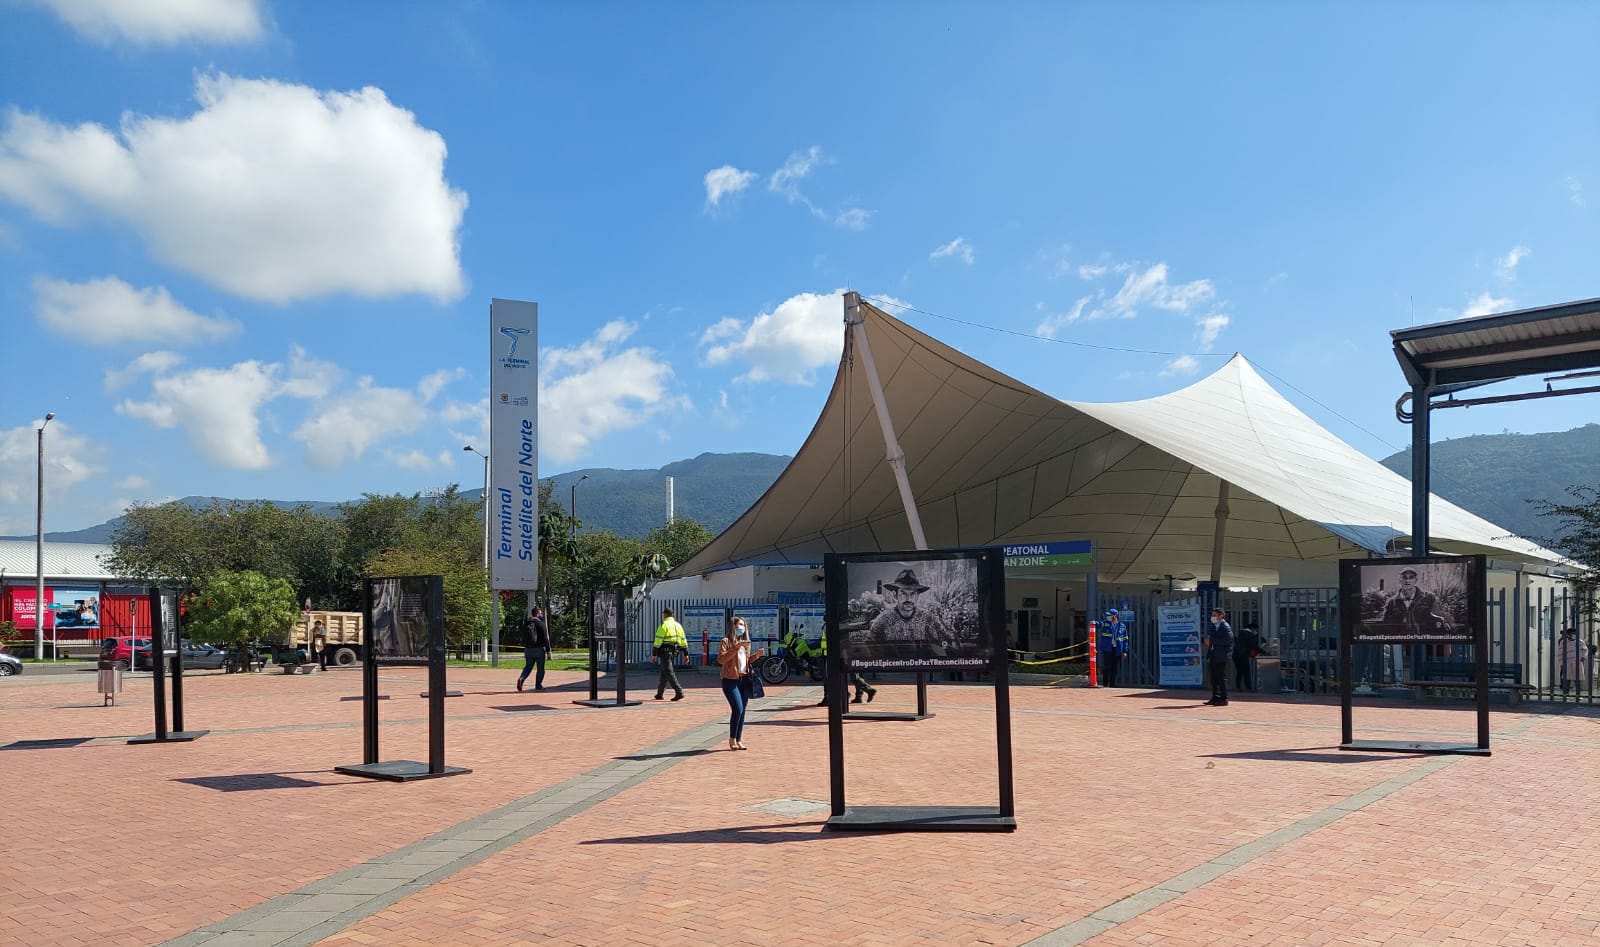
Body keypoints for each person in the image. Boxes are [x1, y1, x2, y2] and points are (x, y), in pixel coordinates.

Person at [865, 569, 955, 658]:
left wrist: (935, 653)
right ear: (895, 595)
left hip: (923, 669)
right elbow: (869, 645)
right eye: (903, 593)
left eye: (912, 593)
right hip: (892, 670)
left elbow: (949, 642)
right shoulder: (883, 620)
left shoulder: (928, 618)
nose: (909, 598)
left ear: (917, 596)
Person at [717, 618, 764, 750]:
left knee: (742, 711)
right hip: (730, 680)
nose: (741, 628)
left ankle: (739, 739)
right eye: (739, 625)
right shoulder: (726, 641)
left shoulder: (745, 644)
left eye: (743, 625)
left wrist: (756, 656)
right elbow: (721, 659)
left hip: (744, 680)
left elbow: (746, 661)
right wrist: (735, 648)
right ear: (733, 626)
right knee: (737, 708)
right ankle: (732, 739)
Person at [1379, 568, 1447, 634]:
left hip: (1424, 640)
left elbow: (1439, 620)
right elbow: (1385, 626)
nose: (1407, 580)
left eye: (1411, 577)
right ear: (1400, 580)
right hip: (1400, 641)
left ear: (1416, 580)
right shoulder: (1391, 602)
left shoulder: (1429, 597)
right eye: (1404, 577)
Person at [652, 607, 688, 701]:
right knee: (665, 672)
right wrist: (685, 653)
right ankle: (659, 694)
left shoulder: (664, 625)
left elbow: (658, 641)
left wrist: (654, 654)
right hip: (675, 651)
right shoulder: (678, 625)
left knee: (668, 672)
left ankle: (679, 691)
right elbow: (683, 640)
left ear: (665, 614)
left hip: (665, 651)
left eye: (663, 613)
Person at [515, 607, 550, 692]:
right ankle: (538, 685)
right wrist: (548, 651)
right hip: (539, 649)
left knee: (528, 667)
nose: (541, 614)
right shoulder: (541, 624)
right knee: (540, 668)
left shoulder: (526, 623)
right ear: (538, 613)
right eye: (540, 613)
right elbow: (545, 638)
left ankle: (521, 678)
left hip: (528, 649)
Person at [1205, 607, 1233, 706]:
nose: (1212, 617)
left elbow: (1227, 640)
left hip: (1221, 656)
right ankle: (1215, 697)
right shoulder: (1214, 626)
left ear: (1221, 615)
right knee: (1214, 678)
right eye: (1212, 615)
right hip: (1214, 655)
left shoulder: (1225, 626)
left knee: (1221, 678)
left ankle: (1224, 698)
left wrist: (1212, 640)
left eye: (1214, 615)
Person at [1098, 609, 1129, 687]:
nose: (1108, 616)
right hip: (1108, 648)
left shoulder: (1122, 626)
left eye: (1110, 615)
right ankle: (1105, 684)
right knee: (1106, 666)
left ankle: (1112, 685)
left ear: (1115, 616)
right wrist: (1094, 623)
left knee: (1114, 667)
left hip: (1117, 649)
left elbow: (1125, 639)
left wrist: (1125, 651)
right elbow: (1099, 624)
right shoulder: (1105, 623)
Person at [1558, 626, 1589, 696]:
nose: (1574, 635)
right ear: (1568, 634)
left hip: (1577, 662)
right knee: (1567, 679)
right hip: (1567, 662)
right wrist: (1561, 663)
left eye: (1575, 633)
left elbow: (1585, 650)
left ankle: (1578, 695)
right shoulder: (1563, 642)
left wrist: (1583, 657)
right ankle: (1566, 694)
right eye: (1572, 633)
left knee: (1577, 679)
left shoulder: (1580, 641)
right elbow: (1560, 653)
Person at [1233, 622, 1263, 691]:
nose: (1256, 632)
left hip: (1235, 654)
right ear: (1252, 628)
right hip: (1243, 654)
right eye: (1256, 630)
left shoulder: (1241, 633)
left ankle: (1238, 687)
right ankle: (1248, 687)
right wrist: (1264, 652)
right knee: (1246, 671)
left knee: (1239, 671)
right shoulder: (1250, 635)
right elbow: (1254, 646)